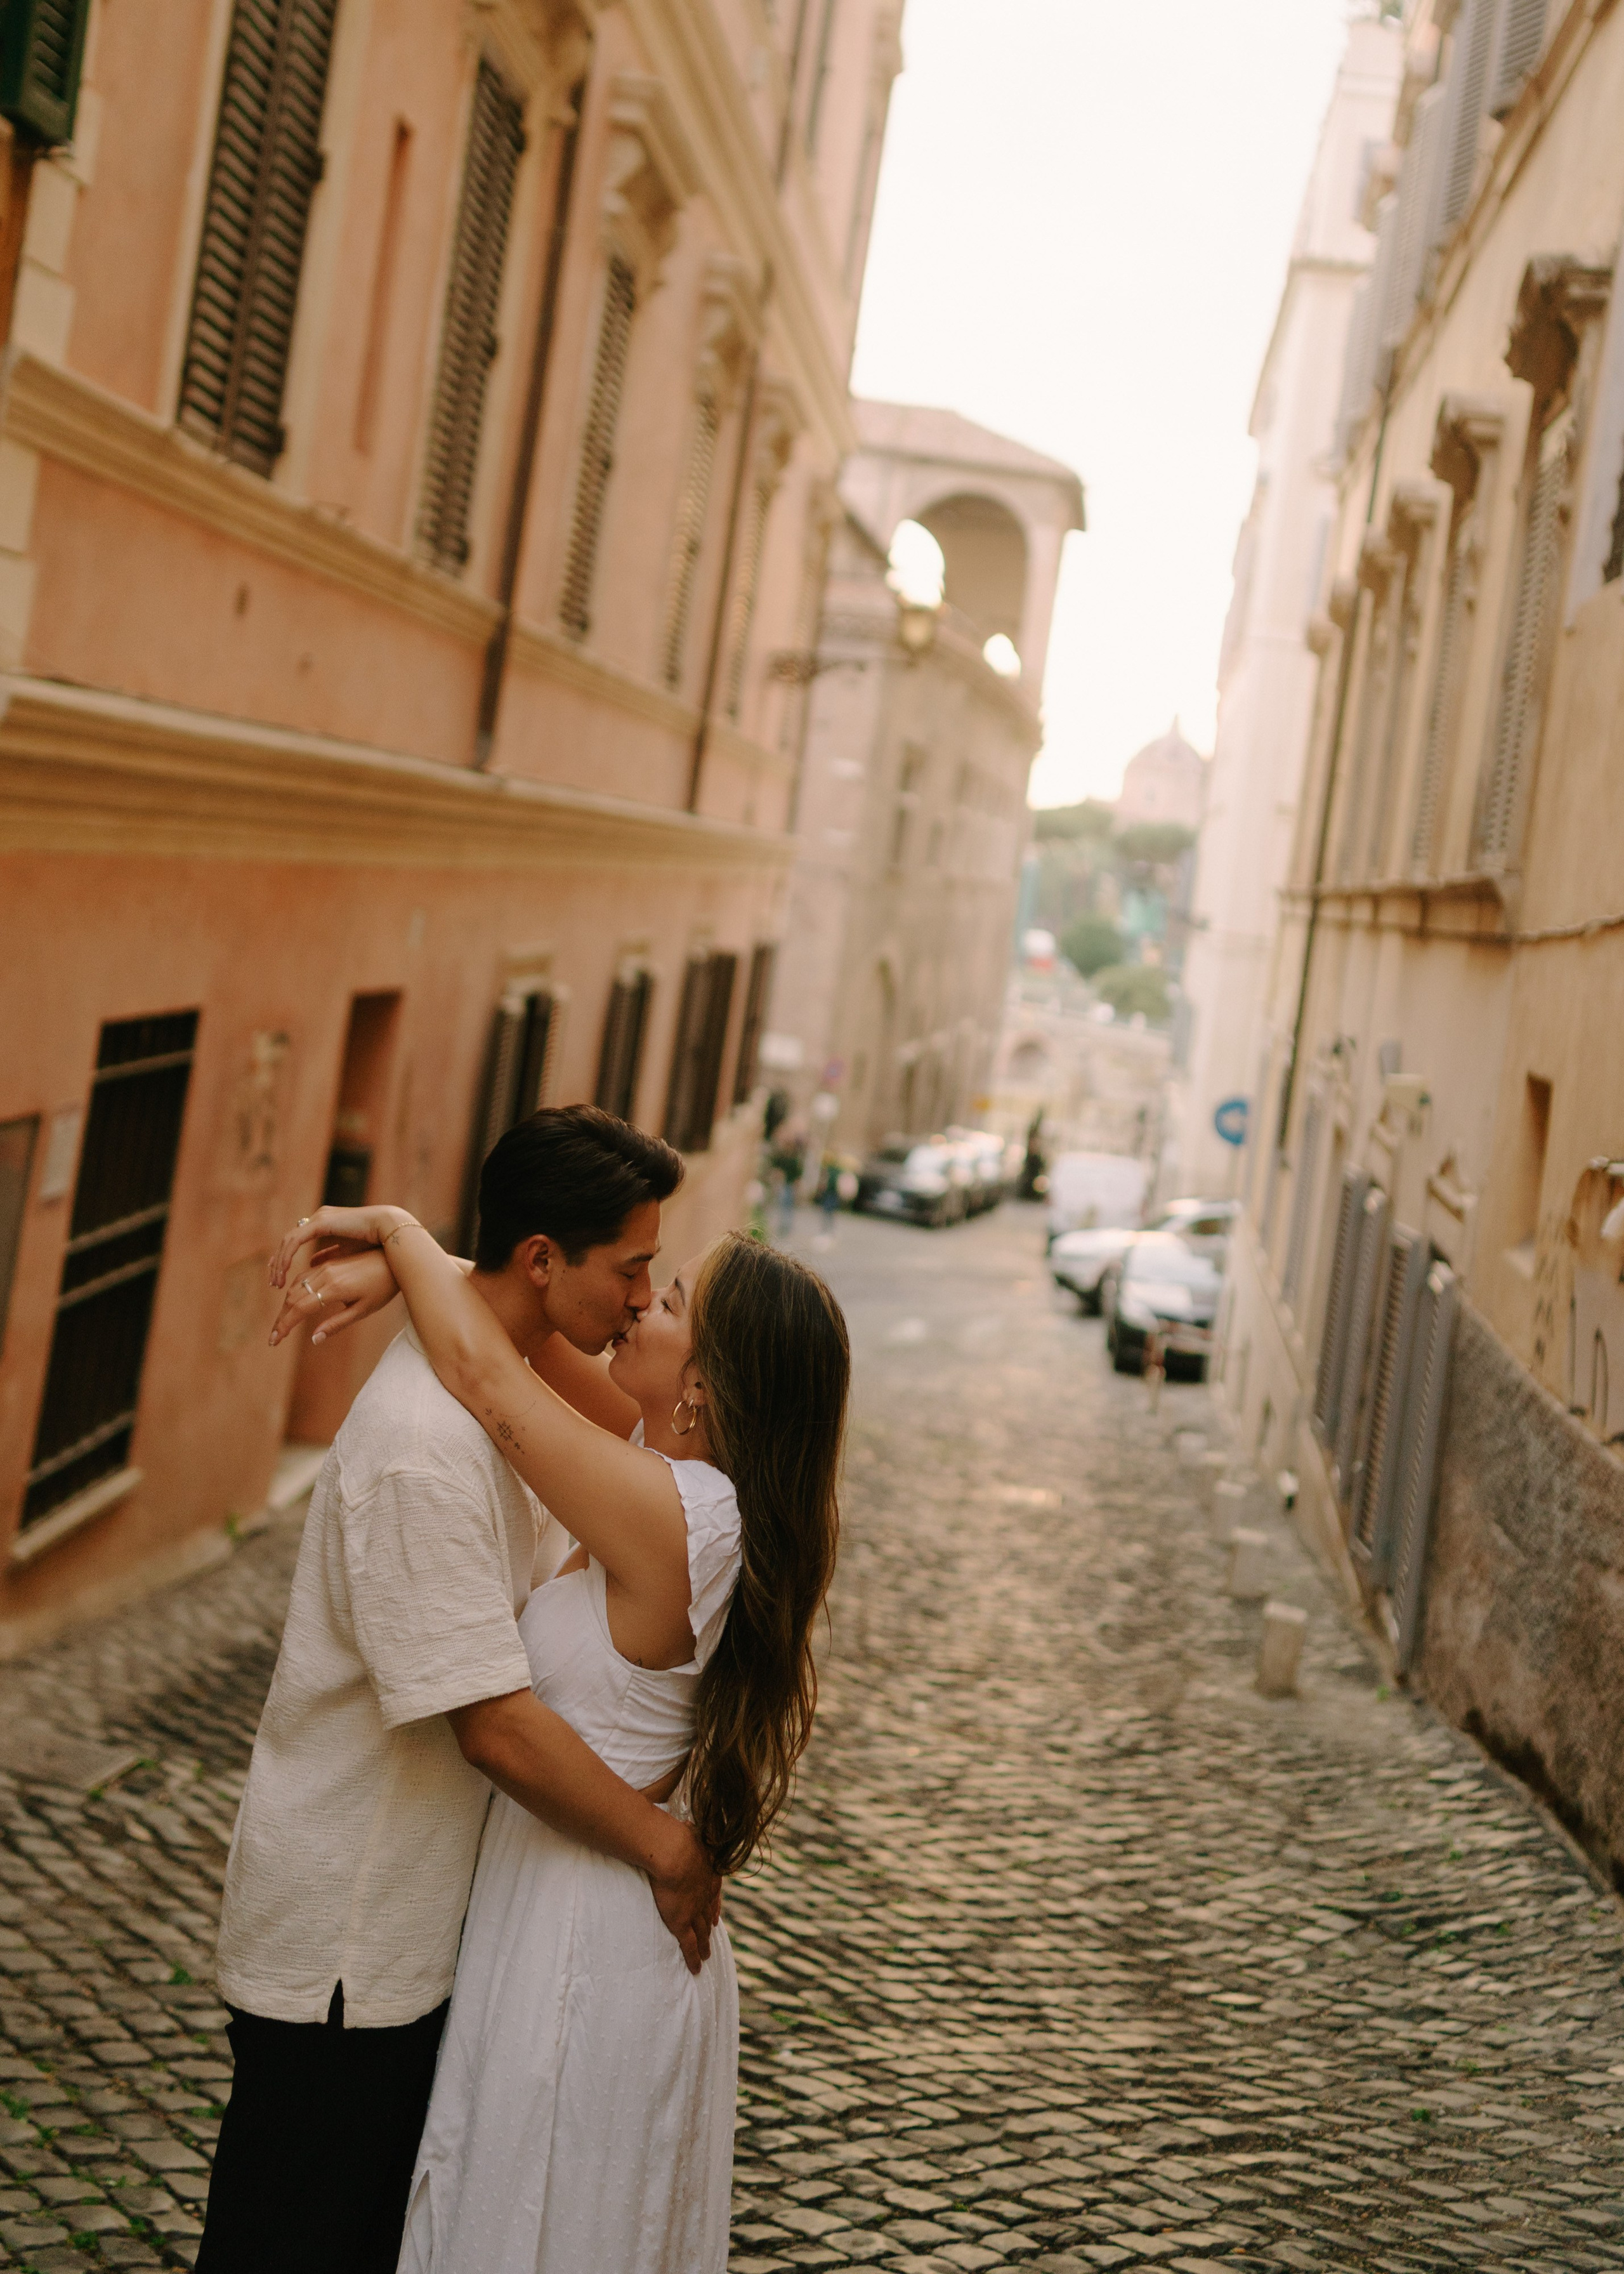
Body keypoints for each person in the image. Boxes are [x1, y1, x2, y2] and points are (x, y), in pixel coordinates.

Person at [266, 1198, 849, 2274]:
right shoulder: (665, 1467)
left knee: (542, 2221)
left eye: (668, 1301)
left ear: (706, 1384)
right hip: (558, 1906)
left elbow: (489, 1385)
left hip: (592, 1938)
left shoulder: (686, 1519)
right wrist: (415, 1266)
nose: (638, 1305)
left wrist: (393, 1231)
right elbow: (501, 1331)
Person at [196, 1108, 721, 2274]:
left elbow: (529, 1368)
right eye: (632, 1270)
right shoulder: (423, 1448)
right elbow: (493, 1727)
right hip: (353, 1949)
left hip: (422, 1939)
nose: (642, 1299)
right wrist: (667, 1850)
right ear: (544, 1259)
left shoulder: (508, 1396)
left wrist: (398, 1244)